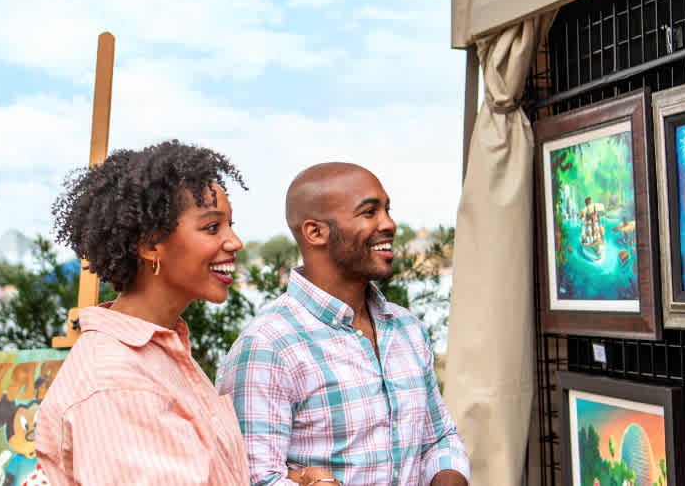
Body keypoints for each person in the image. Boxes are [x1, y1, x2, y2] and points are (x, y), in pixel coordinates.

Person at [217, 163, 470, 486]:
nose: (389, 224)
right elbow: (253, 478)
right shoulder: (268, 346)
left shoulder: (408, 328)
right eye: (369, 212)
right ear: (315, 232)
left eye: (387, 209)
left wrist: (448, 475)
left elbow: (439, 438)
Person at [35, 140, 250, 485]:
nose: (235, 241)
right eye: (212, 227)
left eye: (230, 225)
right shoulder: (117, 383)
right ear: (151, 245)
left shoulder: (161, 352)